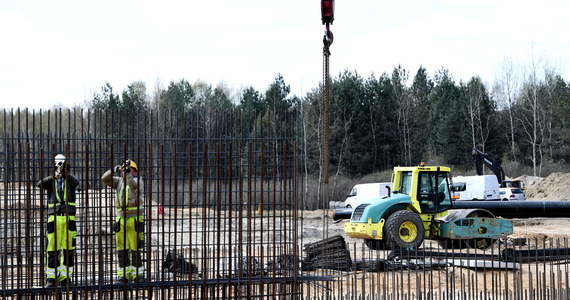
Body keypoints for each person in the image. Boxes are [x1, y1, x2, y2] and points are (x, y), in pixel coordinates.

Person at [37, 154, 80, 288]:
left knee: (68, 249)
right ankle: (51, 278)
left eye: (61, 164)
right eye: (58, 164)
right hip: (54, 218)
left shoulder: (70, 181)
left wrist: (65, 173)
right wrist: (53, 176)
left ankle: (65, 278)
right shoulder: (51, 181)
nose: (59, 167)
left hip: (68, 218)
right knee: (52, 248)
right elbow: (39, 184)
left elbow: (77, 182)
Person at [101, 159, 145, 283]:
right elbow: (104, 179)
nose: (125, 172)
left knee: (135, 248)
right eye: (124, 170)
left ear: (134, 171)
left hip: (135, 219)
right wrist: (113, 171)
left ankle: (138, 275)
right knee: (122, 249)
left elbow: (133, 187)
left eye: (128, 169)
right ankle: (123, 275)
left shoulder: (138, 181)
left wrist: (127, 175)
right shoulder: (118, 182)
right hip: (121, 219)